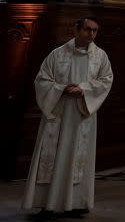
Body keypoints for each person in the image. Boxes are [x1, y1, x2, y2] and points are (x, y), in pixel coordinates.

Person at [23, 18, 113, 215]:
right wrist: (62, 89)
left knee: (77, 158)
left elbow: (106, 81)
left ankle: (75, 203)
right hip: (58, 111)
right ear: (76, 30)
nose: (91, 34)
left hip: (82, 114)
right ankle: (48, 203)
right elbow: (42, 80)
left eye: (95, 31)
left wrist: (83, 89)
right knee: (52, 157)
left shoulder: (100, 56)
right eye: (88, 30)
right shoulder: (58, 54)